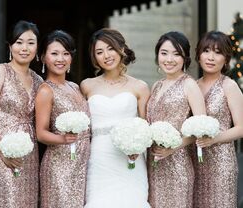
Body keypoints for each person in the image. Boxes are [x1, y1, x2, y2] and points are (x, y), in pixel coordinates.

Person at [80, 28, 151, 208]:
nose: (106, 55)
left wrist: (139, 147)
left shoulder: (139, 86)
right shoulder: (87, 86)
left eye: (110, 48)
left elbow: (146, 126)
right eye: (99, 52)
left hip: (130, 160)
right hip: (99, 158)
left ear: (121, 49)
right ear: (94, 58)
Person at [0, 20, 42, 207]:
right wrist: (2, 151)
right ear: (10, 45)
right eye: (19, 42)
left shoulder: (38, 80)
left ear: (37, 47)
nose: (24, 48)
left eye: (31, 42)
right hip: (0, 154)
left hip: (30, 155)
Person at [146, 31, 206, 208]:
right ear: (157, 55)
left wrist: (173, 147)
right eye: (164, 53)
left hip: (178, 165)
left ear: (185, 58)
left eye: (176, 54)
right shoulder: (157, 86)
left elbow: (201, 130)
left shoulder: (189, 85)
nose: (169, 59)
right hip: (154, 164)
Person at [35, 30, 90, 208]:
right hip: (59, 166)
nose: (61, 59)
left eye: (66, 53)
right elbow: (41, 133)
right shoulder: (45, 90)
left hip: (82, 163)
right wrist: (62, 139)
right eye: (54, 53)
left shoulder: (74, 86)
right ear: (43, 57)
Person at [193, 31, 243, 208]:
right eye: (206, 51)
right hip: (195, 162)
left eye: (218, 52)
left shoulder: (229, 86)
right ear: (199, 55)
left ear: (226, 58)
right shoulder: (192, 85)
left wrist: (213, 139)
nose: (211, 57)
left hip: (221, 163)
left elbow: (241, 128)